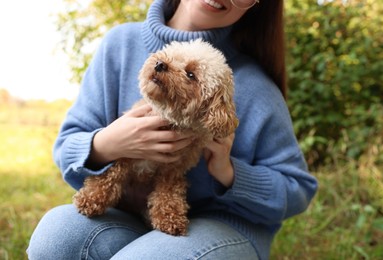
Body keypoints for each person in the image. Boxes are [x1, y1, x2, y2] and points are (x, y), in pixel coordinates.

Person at [28, 0, 318, 259]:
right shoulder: (120, 44)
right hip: (127, 217)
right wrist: (109, 144)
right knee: (56, 237)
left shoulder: (255, 87)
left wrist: (227, 172)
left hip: (221, 227)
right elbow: (66, 147)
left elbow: (298, 189)